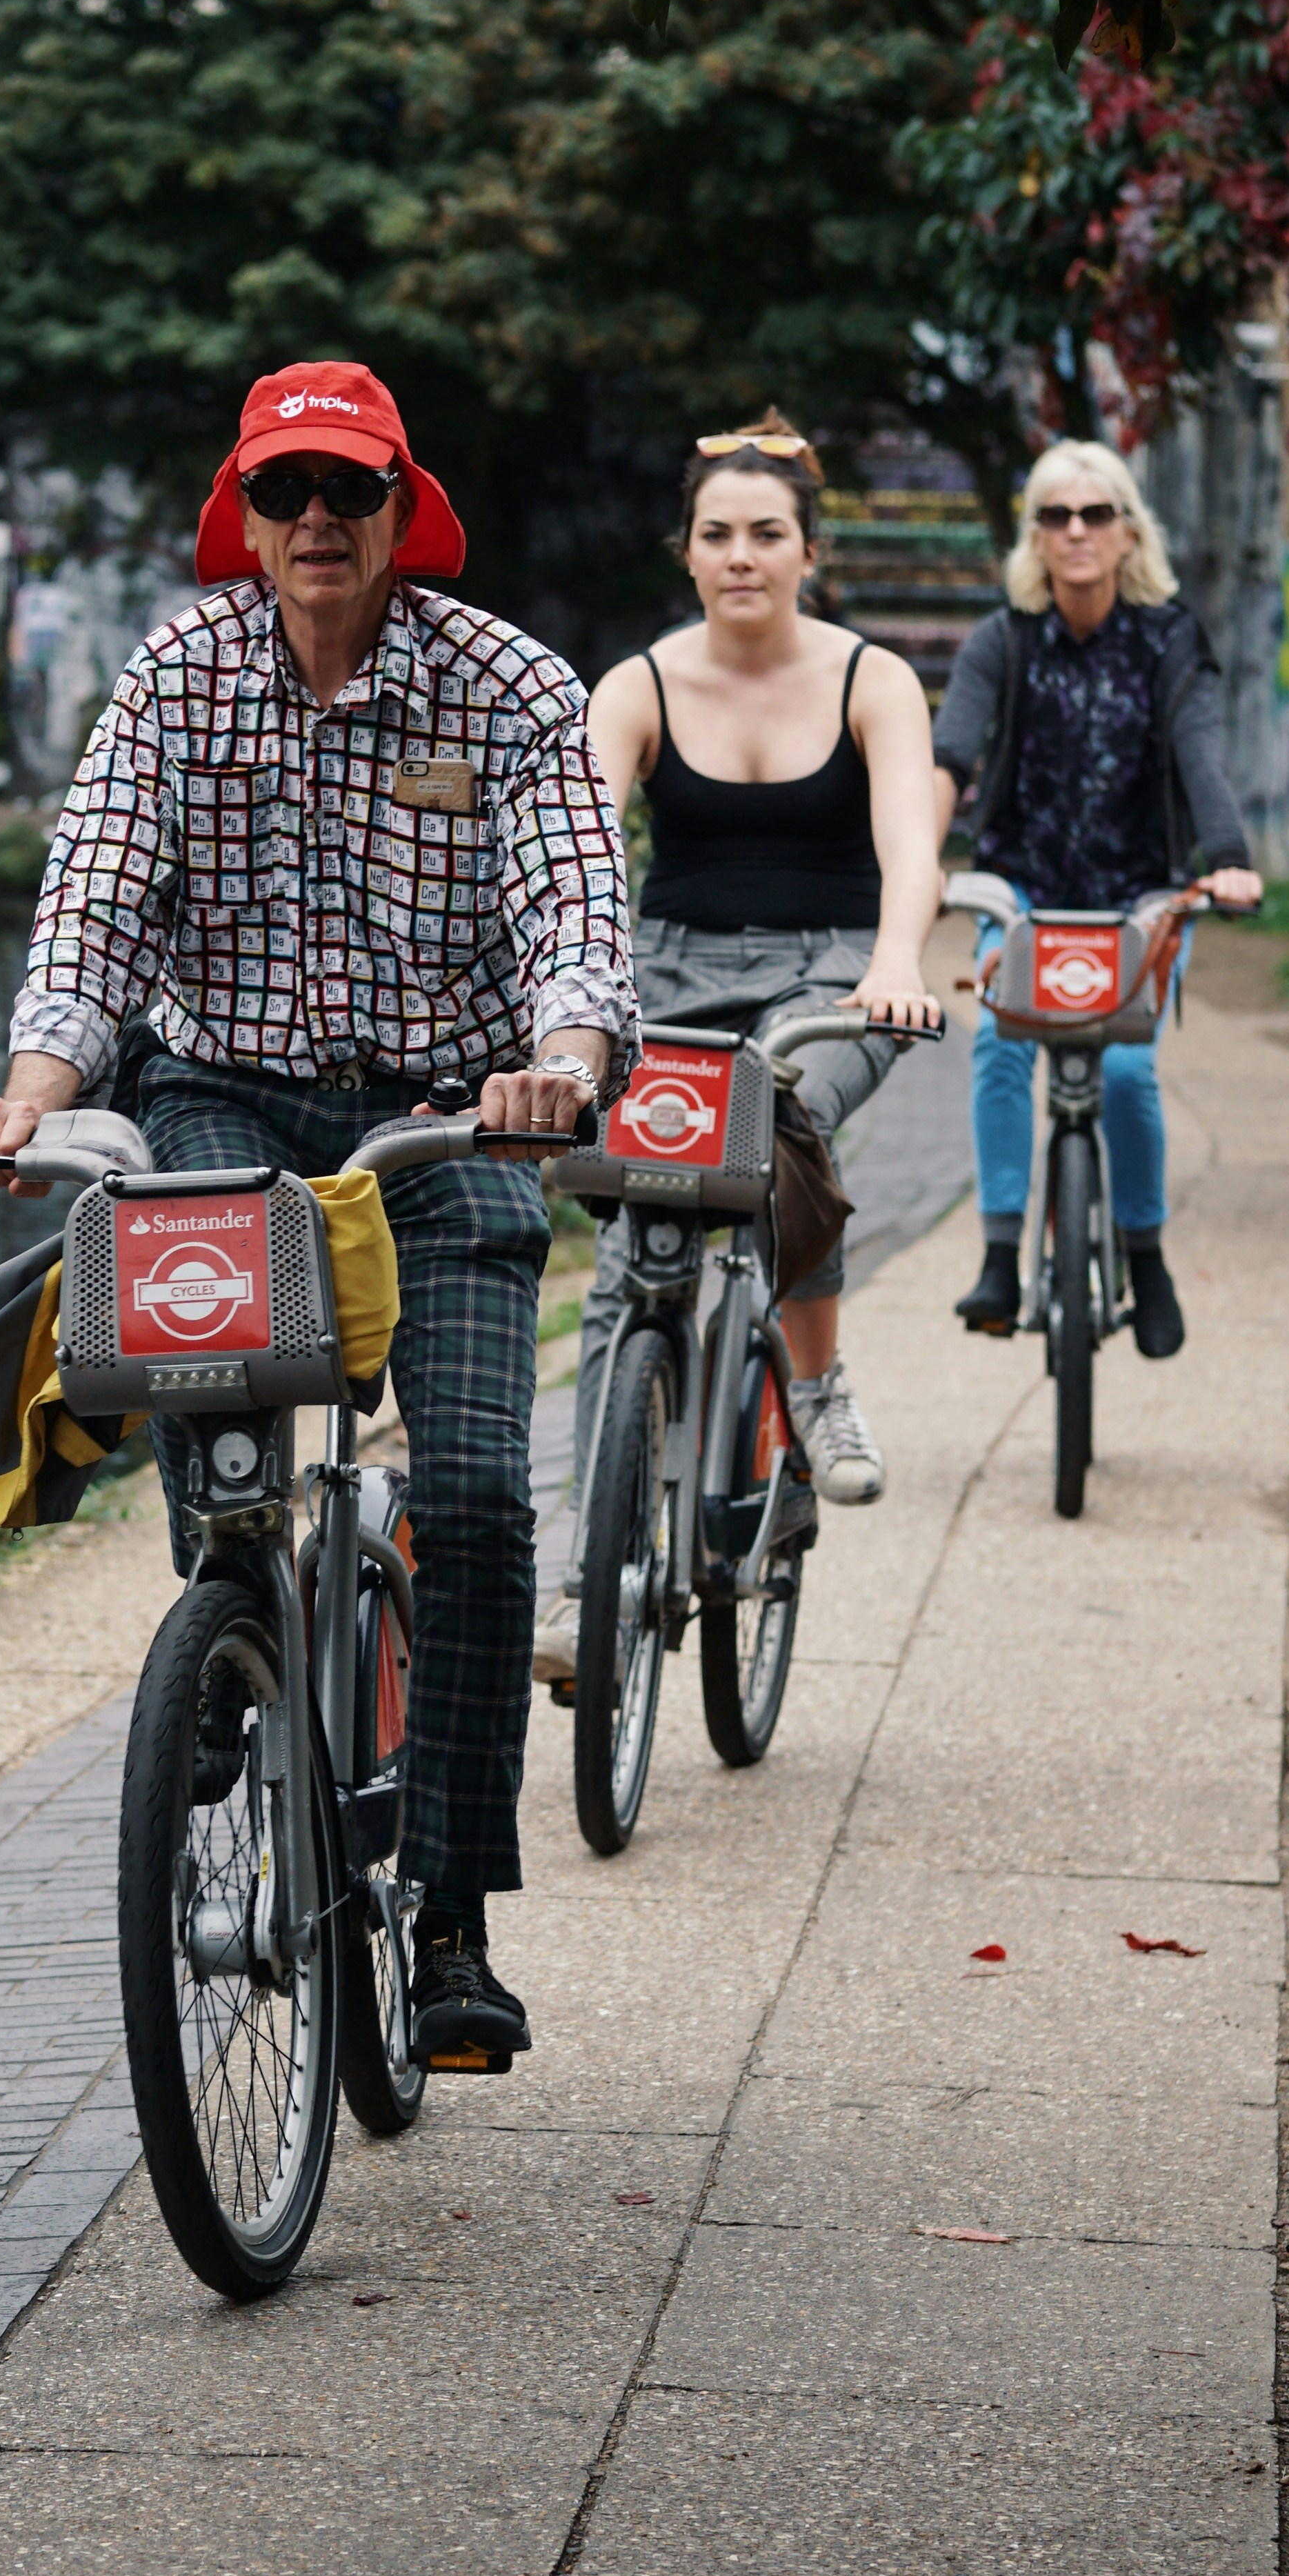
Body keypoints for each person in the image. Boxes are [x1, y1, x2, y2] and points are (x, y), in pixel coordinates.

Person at [0, 358, 634, 2069]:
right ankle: (228, 1636)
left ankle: (456, 1920)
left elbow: (569, 904)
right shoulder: (176, 679)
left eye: (348, 490)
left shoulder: (509, 686)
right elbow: (96, 904)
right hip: (225, 1103)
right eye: (283, 493)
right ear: (240, 516)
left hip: (455, 1108)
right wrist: (30, 1093)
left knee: (471, 1498)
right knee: (203, 1399)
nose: (315, 520)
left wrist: (559, 1057)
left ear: (405, 510)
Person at [539, 417, 943, 1686]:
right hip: (665, 973)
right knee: (629, 1254)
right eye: (718, 534)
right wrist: (561, 997)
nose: (742, 555)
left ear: (807, 550)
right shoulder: (639, 686)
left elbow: (910, 850)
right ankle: (582, 1580)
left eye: (767, 533)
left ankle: (812, 1388)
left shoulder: (872, 677)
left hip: (832, 971)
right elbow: (582, 859)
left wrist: (893, 966)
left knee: (777, 1121)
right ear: (690, 553)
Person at [930, 437, 1263, 1356]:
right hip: (1027, 890)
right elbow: (950, 752)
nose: (1075, 530)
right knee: (999, 1039)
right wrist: (921, 860)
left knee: (1122, 1068)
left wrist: (1226, 857)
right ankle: (1001, 1254)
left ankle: (1145, 1258)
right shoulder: (1004, 638)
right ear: (1035, 537)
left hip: (1140, 896)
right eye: (1055, 515)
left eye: (1095, 514)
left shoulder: (1170, 638)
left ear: (1127, 532)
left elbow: (1201, 751)